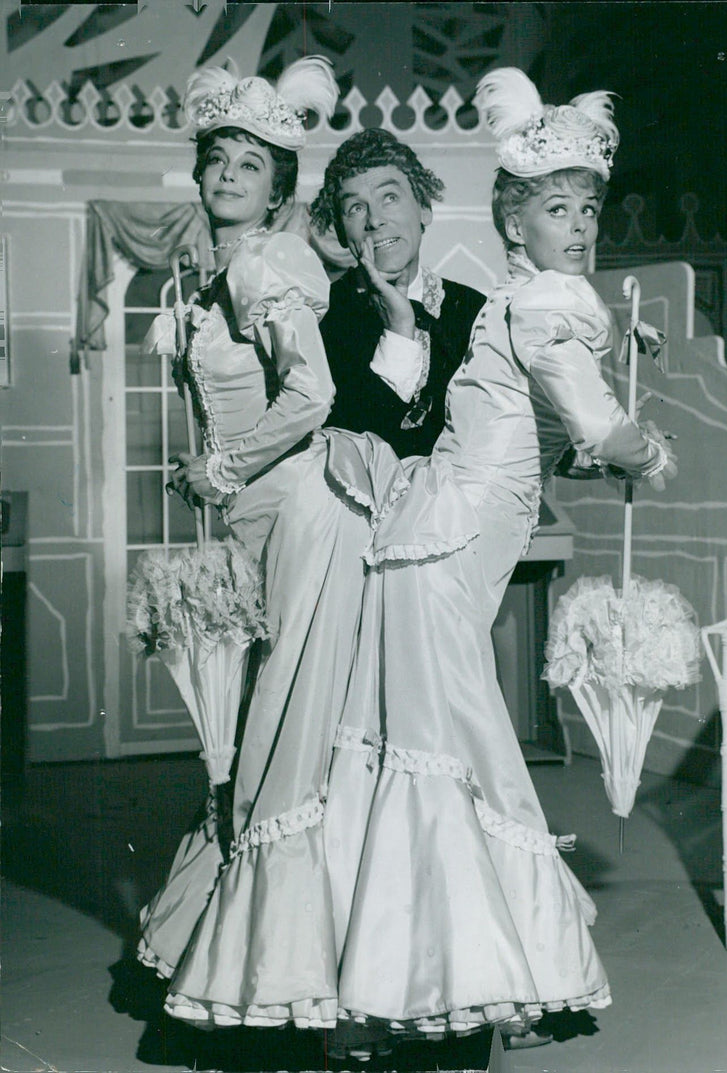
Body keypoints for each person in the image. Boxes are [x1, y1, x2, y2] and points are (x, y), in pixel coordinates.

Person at [317, 67, 676, 1055]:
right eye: (555, 208)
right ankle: (436, 977)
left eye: (586, 209)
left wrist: (598, 427)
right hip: (447, 534)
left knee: (435, 742)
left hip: (444, 531)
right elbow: (592, 421)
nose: (578, 227)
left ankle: (433, 970)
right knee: (452, 741)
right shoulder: (542, 301)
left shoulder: (516, 294)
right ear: (515, 223)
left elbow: (532, 429)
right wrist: (633, 443)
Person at [135, 59, 381, 1033]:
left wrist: (221, 465)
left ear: (278, 189)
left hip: (301, 518)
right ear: (199, 176)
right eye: (220, 158)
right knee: (264, 744)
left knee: (285, 747)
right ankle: (282, 970)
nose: (233, 173)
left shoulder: (258, 265)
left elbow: (313, 396)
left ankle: (300, 983)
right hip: (264, 525)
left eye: (254, 163)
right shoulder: (214, 272)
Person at [310, 128, 486, 459]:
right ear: (340, 230)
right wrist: (399, 330)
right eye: (355, 209)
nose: (375, 220)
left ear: (424, 210)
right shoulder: (321, 315)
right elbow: (348, 443)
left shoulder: (474, 310)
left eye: (389, 197)